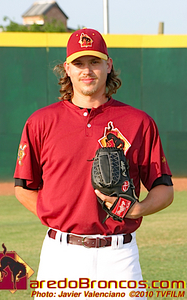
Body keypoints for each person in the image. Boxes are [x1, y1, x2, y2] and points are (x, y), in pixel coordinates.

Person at [14, 28, 173, 299]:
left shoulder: (138, 122)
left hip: (119, 257)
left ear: (108, 65)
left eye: (94, 62)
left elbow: (164, 189)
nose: (87, 71)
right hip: (60, 255)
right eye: (78, 63)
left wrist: (138, 209)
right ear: (67, 68)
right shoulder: (41, 121)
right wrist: (57, 215)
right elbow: (23, 187)